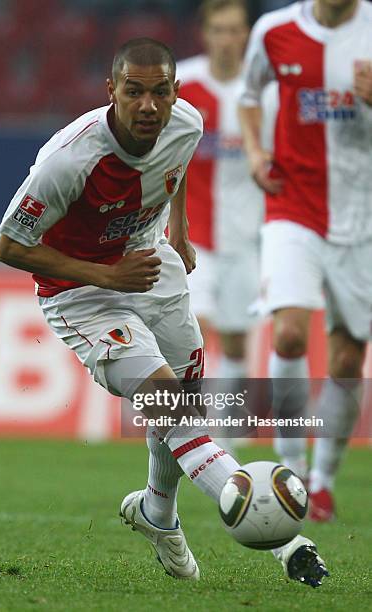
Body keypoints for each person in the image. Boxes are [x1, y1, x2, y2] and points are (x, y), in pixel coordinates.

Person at [0, 38, 327, 586]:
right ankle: (286, 542)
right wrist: (107, 276)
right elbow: (9, 246)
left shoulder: (186, 122)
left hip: (151, 262)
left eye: (159, 92)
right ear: (112, 92)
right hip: (81, 293)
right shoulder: (68, 161)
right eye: (133, 92)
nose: (148, 106)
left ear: (175, 92)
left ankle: (157, 512)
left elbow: (177, 161)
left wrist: (181, 227)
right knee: (167, 400)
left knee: (182, 397)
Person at [239, 0, 372, 521]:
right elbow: (249, 95)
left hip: (361, 219)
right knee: (289, 334)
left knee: (346, 361)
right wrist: (253, 150)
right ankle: (289, 467)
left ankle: (323, 482)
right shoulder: (274, 31)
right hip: (293, 206)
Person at [176, 0, 264, 393]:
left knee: (235, 341)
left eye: (234, 30)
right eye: (218, 30)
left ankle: (229, 434)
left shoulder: (264, 90)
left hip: (248, 238)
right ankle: (193, 432)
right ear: (204, 33)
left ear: (247, 34)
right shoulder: (182, 85)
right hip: (193, 237)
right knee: (195, 332)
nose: (226, 40)